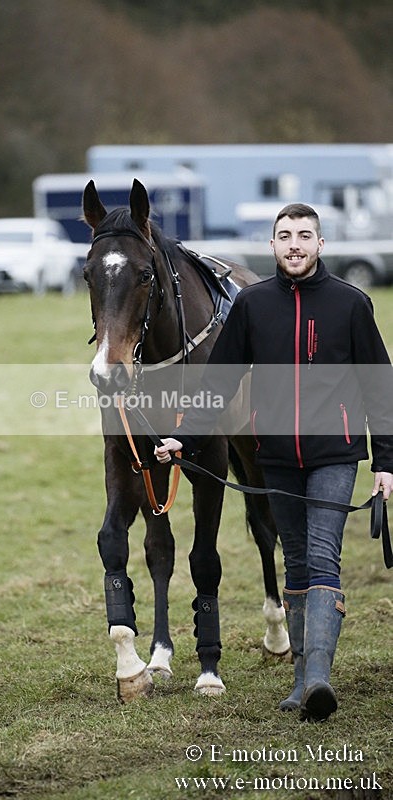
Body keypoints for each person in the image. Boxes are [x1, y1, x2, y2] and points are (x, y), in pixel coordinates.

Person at [155, 203, 393, 722]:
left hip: (335, 453)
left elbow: (380, 386)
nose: (294, 244)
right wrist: (185, 440)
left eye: (304, 235)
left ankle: (316, 681)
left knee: (323, 556)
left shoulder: (351, 305)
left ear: (320, 244)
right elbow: (217, 384)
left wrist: (386, 461)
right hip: (278, 459)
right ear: (272, 246)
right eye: (284, 236)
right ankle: (300, 680)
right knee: (297, 562)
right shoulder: (252, 305)